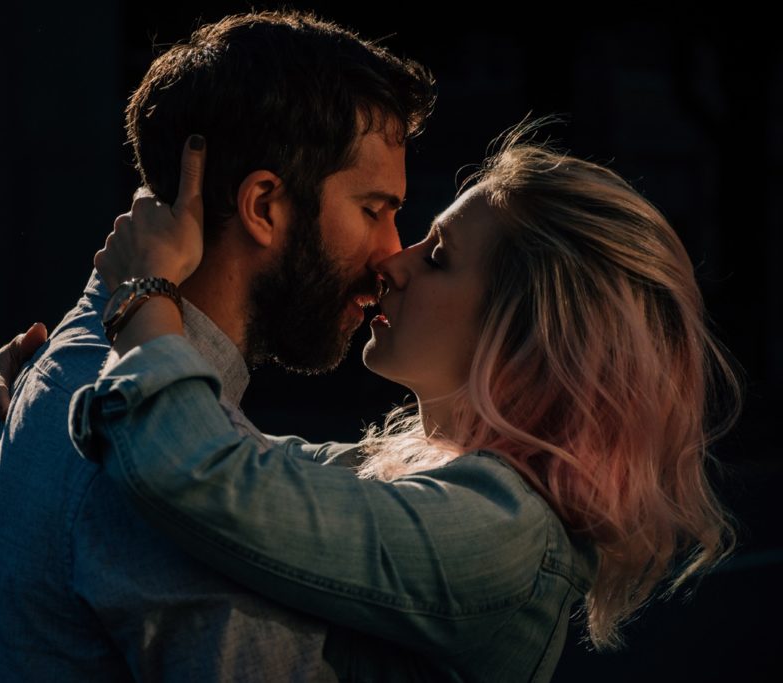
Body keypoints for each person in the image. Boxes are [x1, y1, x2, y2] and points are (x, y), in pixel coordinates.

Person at [63, 117, 740, 681]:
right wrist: (33, 383)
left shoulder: (500, 534)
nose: (391, 262)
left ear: (525, 336)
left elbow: (200, 471)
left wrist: (147, 290)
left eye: (438, 257)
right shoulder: (411, 472)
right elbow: (200, 444)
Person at [0, 10, 434, 681]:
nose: (392, 252)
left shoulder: (65, 367)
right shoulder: (165, 470)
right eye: (375, 209)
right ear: (263, 205)